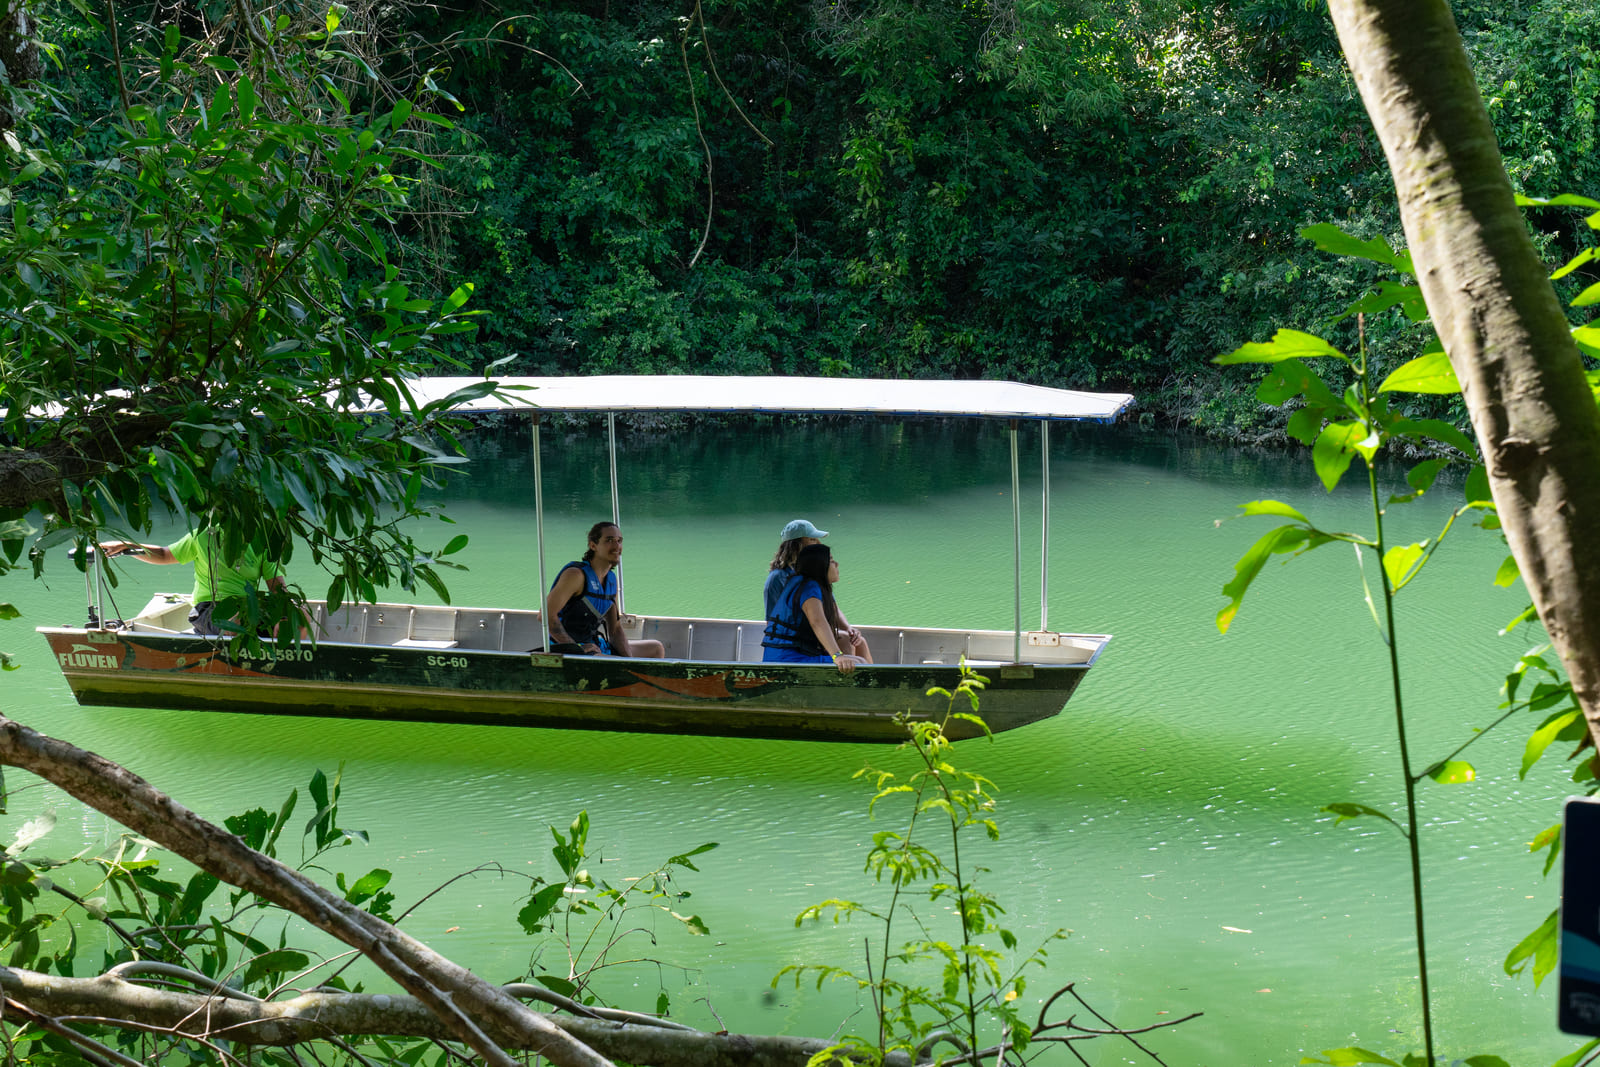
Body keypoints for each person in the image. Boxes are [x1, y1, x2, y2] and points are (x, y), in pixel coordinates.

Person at [100, 527, 295, 636]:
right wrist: (128, 546)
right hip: (210, 608)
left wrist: (285, 617)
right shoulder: (203, 535)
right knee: (236, 621)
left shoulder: (261, 541)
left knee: (298, 614)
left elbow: (278, 590)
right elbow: (164, 554)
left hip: (249, 607)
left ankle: (288, 666)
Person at [545, 522, 664, 657]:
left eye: (619, 541)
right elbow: (545, 616)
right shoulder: (576, 575)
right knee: (604, 660)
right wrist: (577, 649)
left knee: (656, 648)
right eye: (609, 540)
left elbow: (615, 629)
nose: (616, 546)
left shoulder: (611, 580)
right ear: (593, 545)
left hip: (594, 645)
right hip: (567, 649)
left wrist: (629, 660)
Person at [764, 518, 871, 661]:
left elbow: (831, 607)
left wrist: (848, 628)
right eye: (813, 540)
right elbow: (814, 621)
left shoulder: (813, 576)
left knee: (857, 641)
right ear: (796, 546)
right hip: (797, 640)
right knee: (846, 642)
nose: (819, 543)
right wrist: (837, 655)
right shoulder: (779, 578)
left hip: (810, 634)